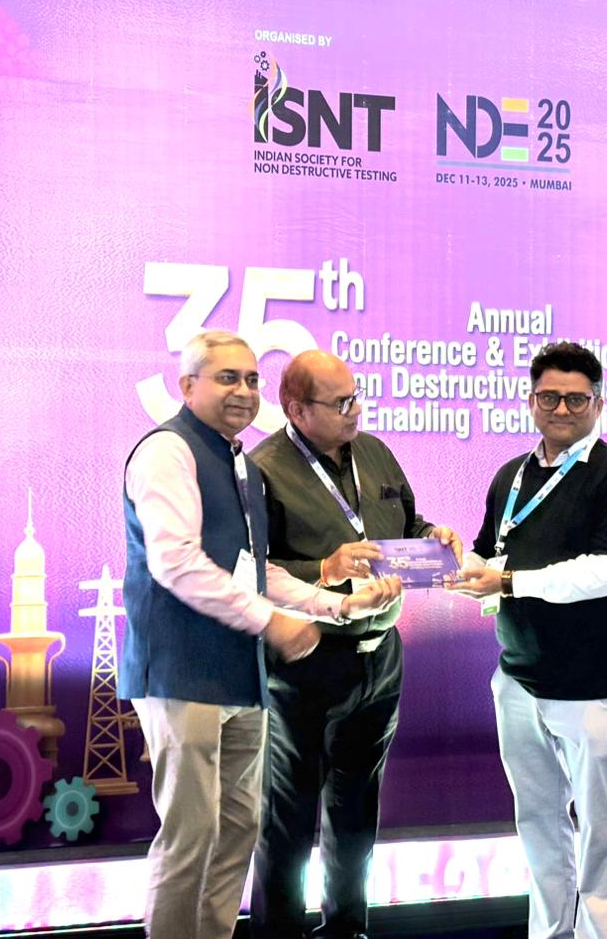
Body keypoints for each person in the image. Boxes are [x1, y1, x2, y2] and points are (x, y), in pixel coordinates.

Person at [119, 331, 402, 939]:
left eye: (251, 379)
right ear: (186, 385)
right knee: (191, 837)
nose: (244, 391)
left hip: (241, 676)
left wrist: (335, 606)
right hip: (181, 673)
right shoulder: (167, 452)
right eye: (227, 378)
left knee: (237, 833)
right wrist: (271, 621)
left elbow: (253, 570)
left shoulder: (240, 463)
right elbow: (177, 564)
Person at [249, 350, 463, 939]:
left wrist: (435, 536)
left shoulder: (374, 452)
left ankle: (347, 928)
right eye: (341, 402)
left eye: (357, 396)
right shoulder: (263, 470)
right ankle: (279, 932)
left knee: (357, 811)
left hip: (380, 657)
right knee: (289, 818)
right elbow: (250, 570)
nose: (355, 410)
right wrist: (325, 567)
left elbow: (407, 525)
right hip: (306, 659)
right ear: (296, 409)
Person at [451, 341, 607, 939]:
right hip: (517, 679)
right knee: (538, 825)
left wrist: (509, 581)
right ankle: (549, 932)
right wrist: (458, 566)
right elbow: (489, 552)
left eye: (575, 399)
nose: (561, 409)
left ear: (599, 404)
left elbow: (605, 571)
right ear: (531, 401)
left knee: (600, 835)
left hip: (590, 687)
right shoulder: (510, 476)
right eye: (549, 397)